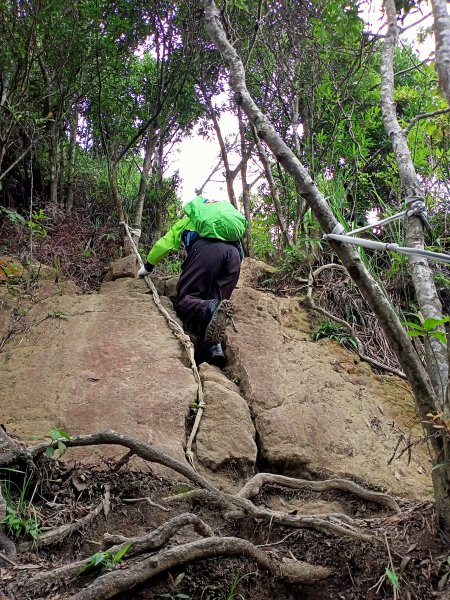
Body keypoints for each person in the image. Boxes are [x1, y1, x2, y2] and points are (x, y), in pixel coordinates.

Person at [137, 196, 247, 367]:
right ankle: (213, 349)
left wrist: (148, 266)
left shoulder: (189, 220)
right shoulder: (226, 225)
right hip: (233, 257)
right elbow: (239, 252)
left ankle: (211, 309)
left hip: (208, 251)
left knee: (186, 300)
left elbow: (164, 244)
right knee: (216, 302)